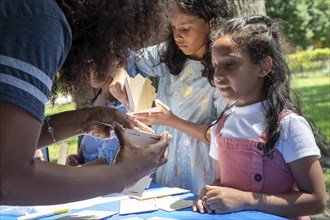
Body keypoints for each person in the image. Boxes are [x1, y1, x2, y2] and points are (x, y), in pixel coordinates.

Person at [0, 0, 176, 205]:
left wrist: (85, 120)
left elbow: (7, 141)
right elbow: (9, 178)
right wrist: (125, 174)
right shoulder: (38, 20)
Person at [192, 15, 326, 218]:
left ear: (264, 66)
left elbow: (316, 201)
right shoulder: (221, 126)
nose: (217, 75)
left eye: (230, 64)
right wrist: (209, 193)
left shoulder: (289, 126)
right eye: (215, 65)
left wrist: (247, 200)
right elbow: (221, 181)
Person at [109, 0, 236, 194]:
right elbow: (127, 58)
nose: (177, 36)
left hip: (205, 173)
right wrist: (121, 71)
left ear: (212, 23)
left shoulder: (226, 72)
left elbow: (222, 136)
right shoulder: (168, 53)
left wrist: (171, 121)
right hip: (166, 168)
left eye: (186, 28)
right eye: (173, 27)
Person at [67, 74, 127, 166]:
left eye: (92, 62)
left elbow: (109, 162)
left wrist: (76, 171)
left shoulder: (122, 108)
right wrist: (78, 158)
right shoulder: (100, 96)